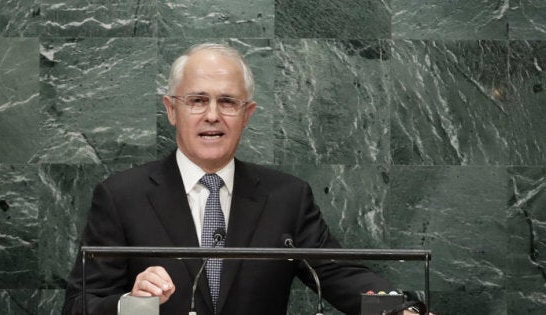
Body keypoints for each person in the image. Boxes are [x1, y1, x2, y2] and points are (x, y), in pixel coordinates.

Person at [62, 43, 407, 315]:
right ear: (171, 109)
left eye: (227, 102)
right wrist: (134, 304)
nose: (212, 115)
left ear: (247, 115)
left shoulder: (286, 197)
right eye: (197, 100)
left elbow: (340, 276)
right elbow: (79, 306)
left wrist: (398, 310)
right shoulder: (122, 196)